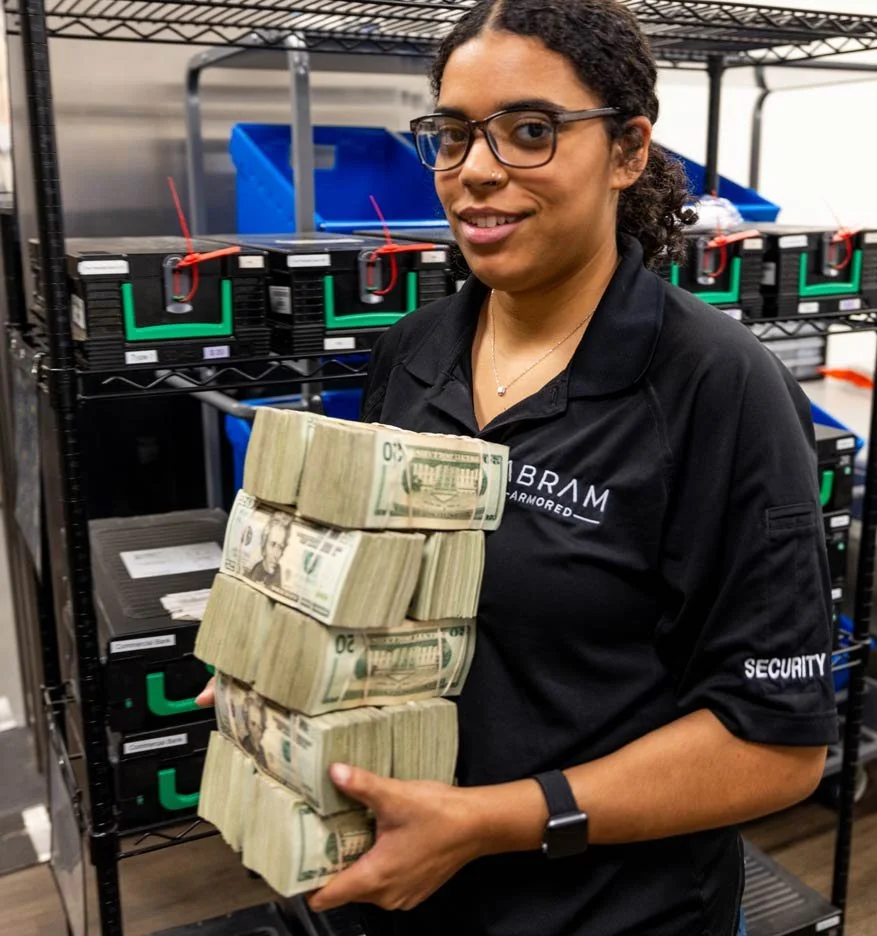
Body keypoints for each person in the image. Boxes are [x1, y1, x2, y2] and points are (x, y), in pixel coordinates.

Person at [200, 2, 837, 933]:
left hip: (606, 912)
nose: (478, 172)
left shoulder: (717, 388)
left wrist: (489, 823)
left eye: (530, 131)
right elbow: (382, 596)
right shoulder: (415, 348)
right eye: (454, 136)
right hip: (404, 894)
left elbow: (775, 747)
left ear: (627, 151)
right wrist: (285, 673)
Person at [248, 513, 290, 591]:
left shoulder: (279, 577)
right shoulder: (255, 571)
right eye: (273, 545)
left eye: (280, 547)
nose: (276, 554)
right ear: (264, 545)